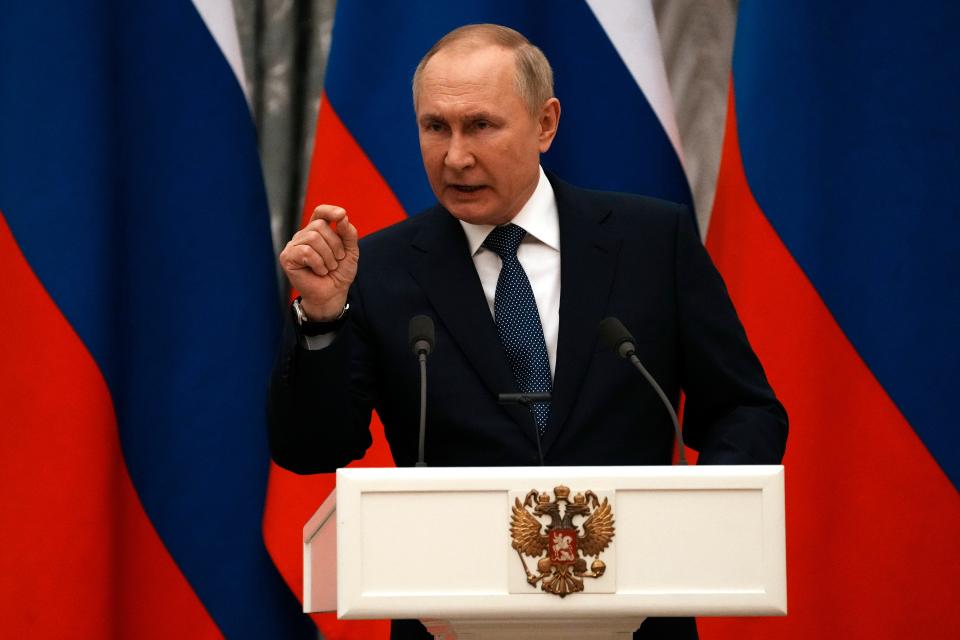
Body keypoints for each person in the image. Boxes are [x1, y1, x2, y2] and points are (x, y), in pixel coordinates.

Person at [269, 24, 787, 640]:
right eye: (436, 127)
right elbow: (311, 449)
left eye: (480, 125)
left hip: (638, 619)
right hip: (449, 620)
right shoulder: (379, 270)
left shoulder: (652, 242)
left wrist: (687, 526)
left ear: (545, 123)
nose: (455, 155)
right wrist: (323, 317)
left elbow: (745, 409)